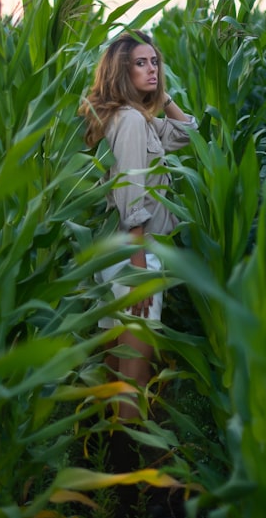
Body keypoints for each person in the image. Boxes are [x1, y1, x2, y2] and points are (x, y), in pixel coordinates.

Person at [79, 29, 196, 421]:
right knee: (136, 368)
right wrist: (139, 266)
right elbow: (130, 194)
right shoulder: (129, 122)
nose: (152, 69)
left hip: (120, 253)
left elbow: (188, 134)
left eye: (155, 62)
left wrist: (163, 98)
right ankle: (130, 463)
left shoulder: (136, 119)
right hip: (135, 254)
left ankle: (113, 456)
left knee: (119, 357)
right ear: (120, 71)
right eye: (141, 63)